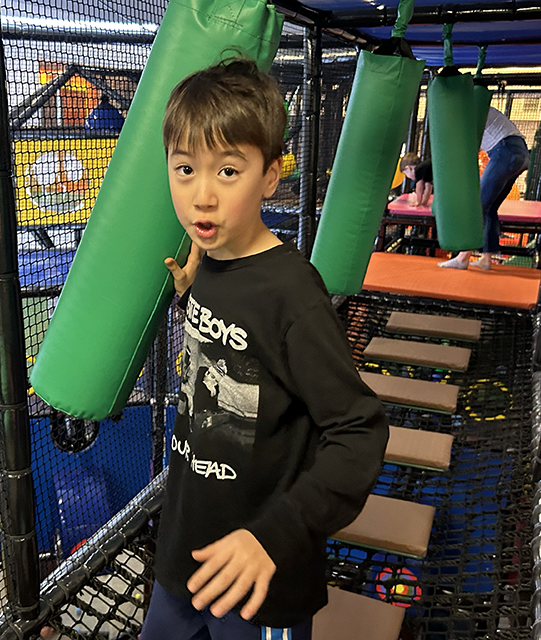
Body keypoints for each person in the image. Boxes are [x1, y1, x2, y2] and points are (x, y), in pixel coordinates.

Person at [140, 58, 390, 640]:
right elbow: (237, 350)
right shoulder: (208, 265)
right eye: (184, 169)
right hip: (184, 556)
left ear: (270, 177)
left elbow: (358, 431)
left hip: (258, 580)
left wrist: (273, 536)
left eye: (228, 171)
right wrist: (186, 299)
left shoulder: (292, 295)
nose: (201, 196)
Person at [438, 106, 531, 270]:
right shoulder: (477, 109)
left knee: (478, 205)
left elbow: (467, 146)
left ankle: (462, 258)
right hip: (520, 153)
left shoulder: (469, 108)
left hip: (505, 149)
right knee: (490, 207)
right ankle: (486, 259)